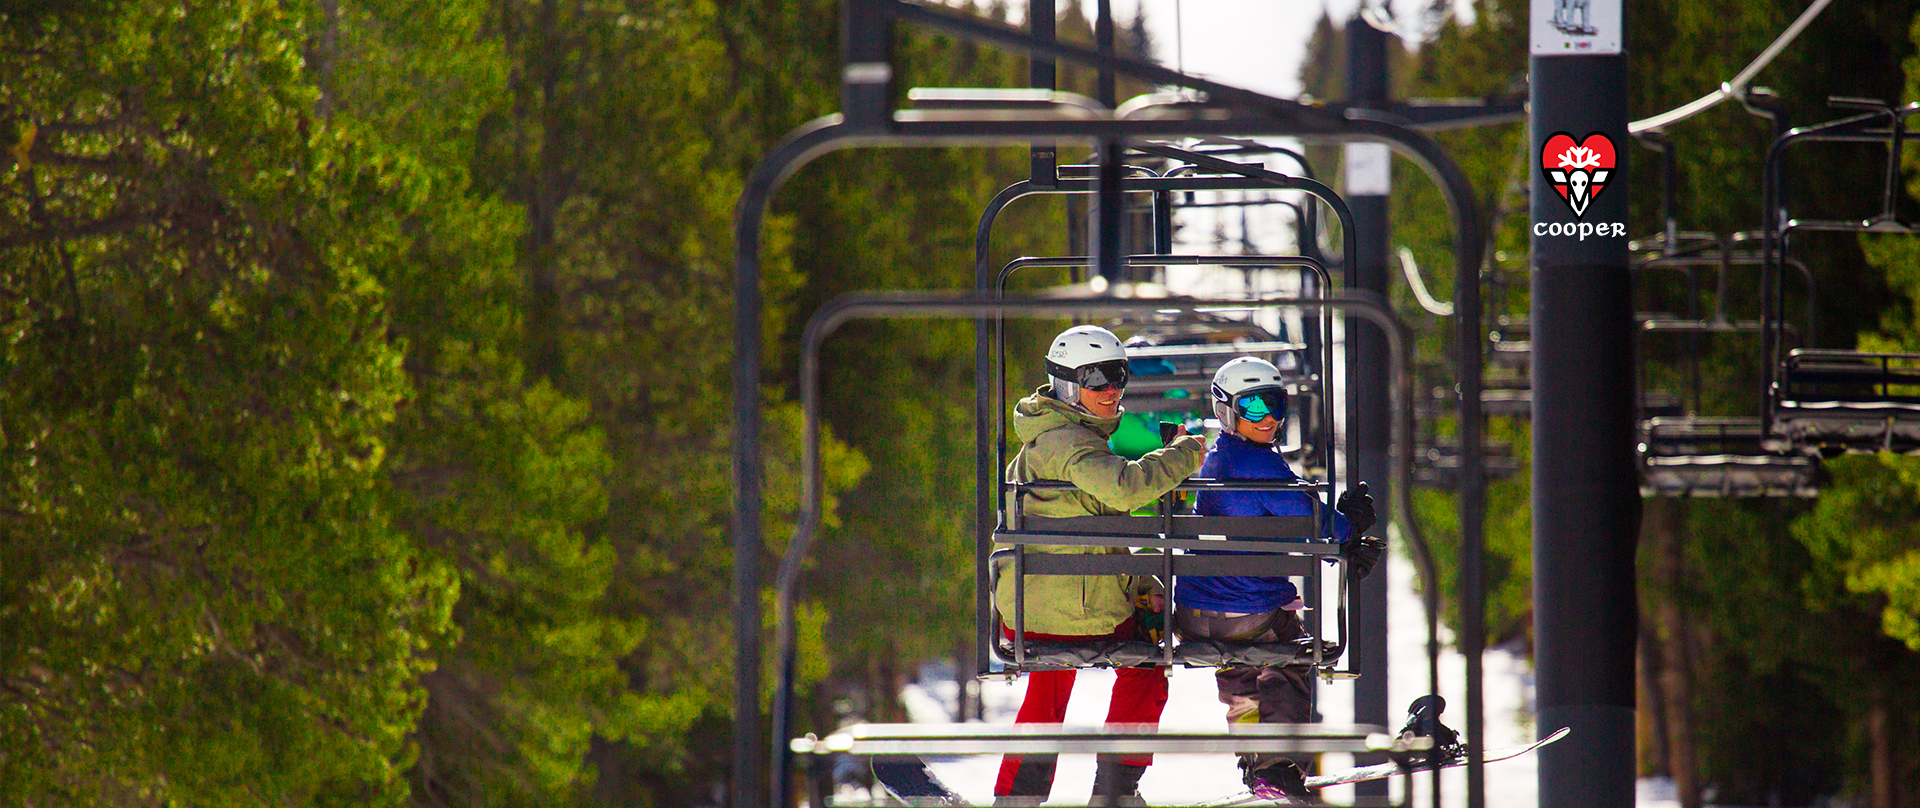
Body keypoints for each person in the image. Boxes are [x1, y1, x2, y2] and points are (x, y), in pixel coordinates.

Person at [994, 324, 1208, 806]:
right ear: (1070, 385)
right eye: (1097, 379)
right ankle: (1115, 789)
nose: (1112, 391)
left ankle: (1018, 795)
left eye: (1118, 377)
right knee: (1147, 664)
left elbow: (1096, 539)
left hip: (1035, 611)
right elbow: (1125, 490)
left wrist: (1140, 581)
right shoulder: (1070, 445)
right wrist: (1183, 453)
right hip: (1078, 612)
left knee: (1048, 686)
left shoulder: (1052, 440)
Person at [1172, 356, 1384, 801]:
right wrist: (1347, 530)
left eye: (1274, 405)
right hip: (1249, 613)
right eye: (1252, 408)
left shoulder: (1217, 460)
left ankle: (1254, 759)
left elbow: (1297, 516)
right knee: (1289, 660)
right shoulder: (1261, 465)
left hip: (1195, 614)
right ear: (1228, 412)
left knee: (1240, 678)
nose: (1267, 418)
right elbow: (1306, 518)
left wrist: (1339, 531)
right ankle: (1279, 764)